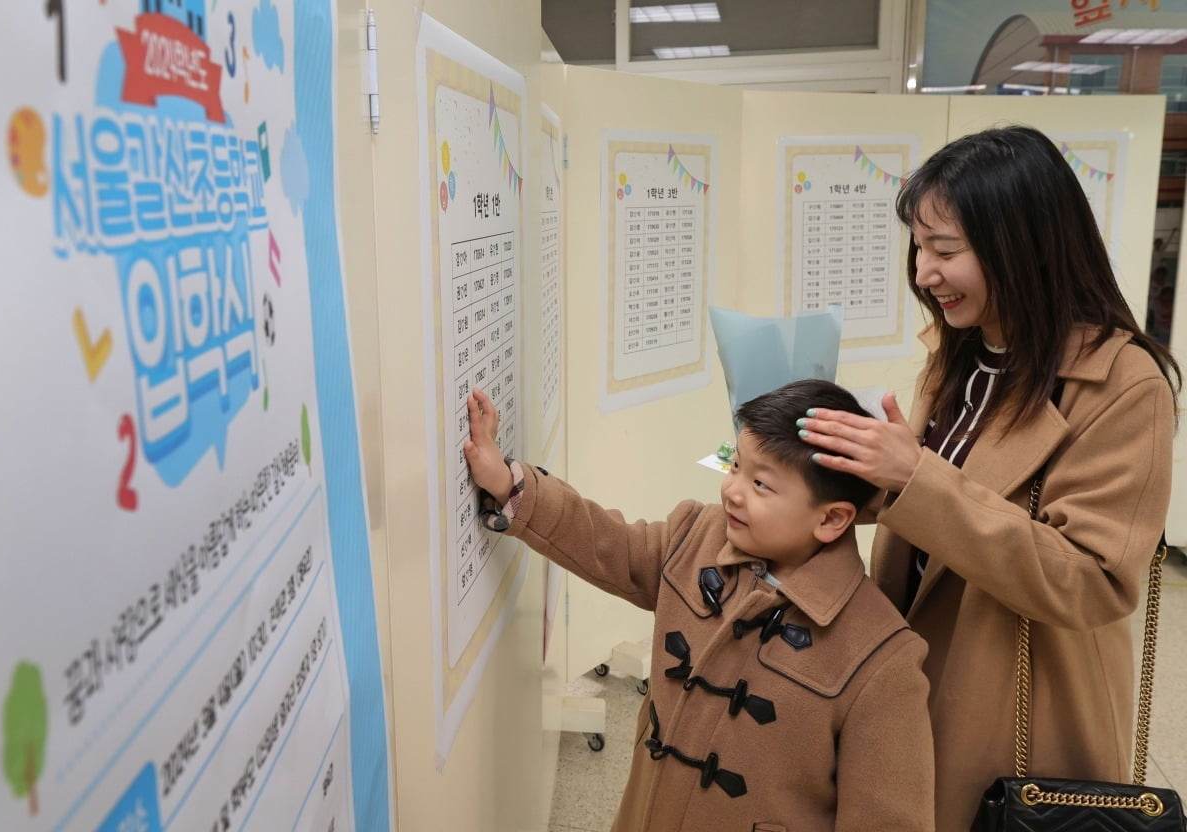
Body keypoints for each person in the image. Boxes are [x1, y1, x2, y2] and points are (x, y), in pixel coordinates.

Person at [796, 125, 1181, 830]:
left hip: (1014, 704)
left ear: (1025, 244)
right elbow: (942, 495)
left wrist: (914, 477)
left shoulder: (1124, 386)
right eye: (918, 247)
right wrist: (833, 464)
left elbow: (1093, 577)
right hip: (911, 666)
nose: (923, 272)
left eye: (945, 251)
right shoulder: (964, 353)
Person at [463, 379, 935, 831]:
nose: (732, 490)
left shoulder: (883, 663)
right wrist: (508, 485)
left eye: (762, 485)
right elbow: (606, 544)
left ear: (832, 518)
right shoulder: (697, 535)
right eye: (736, 467)